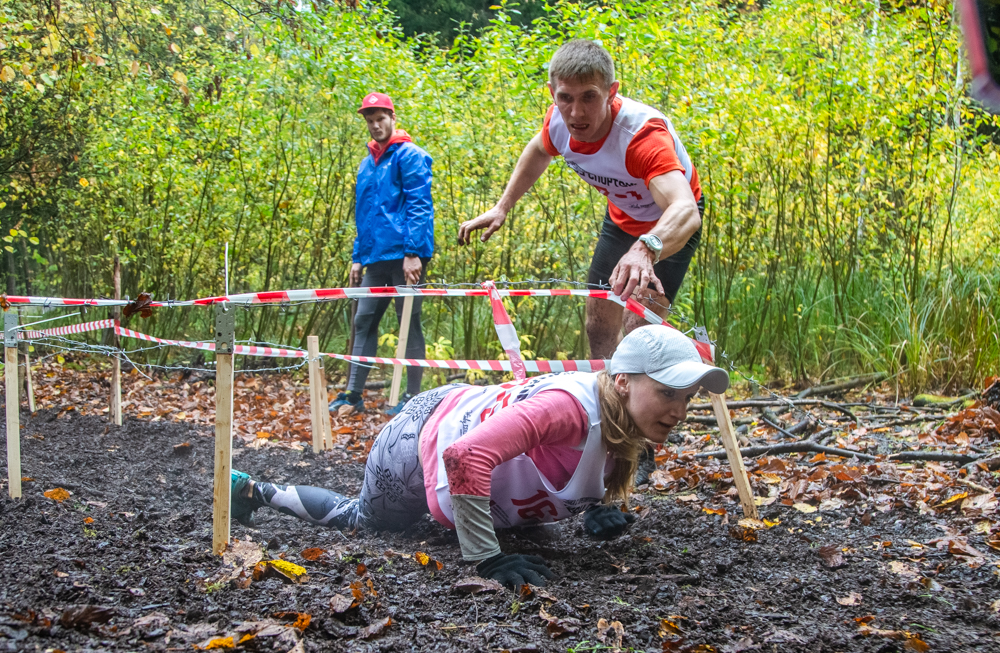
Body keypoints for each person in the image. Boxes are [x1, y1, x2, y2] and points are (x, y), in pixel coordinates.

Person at [232, 326, 728, 589]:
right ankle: (257, 490)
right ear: (623, 381)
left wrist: (593, 510)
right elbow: (465, 456)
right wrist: (486, 560)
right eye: (668, 394)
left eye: (688, 398)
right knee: (363, 520)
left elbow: (564, 472)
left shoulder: (631, 430)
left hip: (468, 423)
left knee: (537, 531)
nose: (680, 411)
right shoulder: (569, 409)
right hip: (423, 432)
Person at [457, 40, 704, 362]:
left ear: (611, 92)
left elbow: (685, 209)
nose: (576, 112)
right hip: (621, 220)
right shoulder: (558, 123)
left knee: (639, 328)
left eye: (589, 97)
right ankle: (607, 397)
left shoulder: (641, 138)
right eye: (565, 98)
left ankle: (672, 381)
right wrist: (502, 206)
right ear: (552, 93)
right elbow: (539, 151)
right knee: (598, 324)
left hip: (669, 225)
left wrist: (646, 249)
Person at [329, 92, 434, 416]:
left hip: (406, 256)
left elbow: (420, 205)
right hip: (374, 256)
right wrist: (357, 257)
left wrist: (414, 252)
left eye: (380, 119)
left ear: (392, 118)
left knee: (408, 322)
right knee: (364, 320)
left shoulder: (411, 156)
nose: (375, 125)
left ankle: (411, 396)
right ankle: (353, 393)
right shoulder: (366, 165)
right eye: (370, 121)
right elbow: (364, 214)